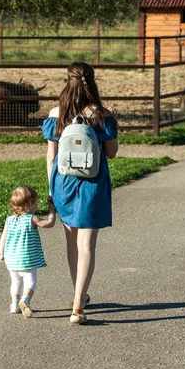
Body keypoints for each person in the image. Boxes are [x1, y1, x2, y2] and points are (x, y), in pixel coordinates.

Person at [41, 61, 118, 325]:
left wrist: (52, 189)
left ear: (68, 81)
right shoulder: (102, 114)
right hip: (92, 184)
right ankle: (78, 306)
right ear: (93, 82)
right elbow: (111, 153)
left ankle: (79, 296)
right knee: (87, 245)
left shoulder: (56, 113)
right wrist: (112, 122)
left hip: (63, 183)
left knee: (71, 243)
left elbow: (51, 156)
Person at [0, 186, 56, 318]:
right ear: (29, 204)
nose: (37, 204)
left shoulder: (9, 220)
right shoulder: (32, 218)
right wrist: (52, 210)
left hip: (11, 260)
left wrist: (2, 253)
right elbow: (49, 223)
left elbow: (3, 239)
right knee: (30, 282)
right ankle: (26, 300)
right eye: (35, 202)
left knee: (15, 282)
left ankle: (14, 304)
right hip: (28, 259)